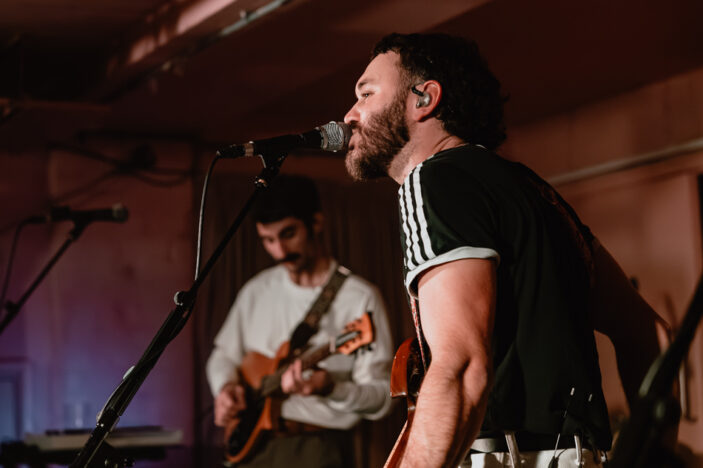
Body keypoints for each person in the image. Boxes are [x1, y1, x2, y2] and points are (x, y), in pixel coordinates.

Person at [343, 33, 663, 467]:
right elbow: (649, 332)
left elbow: (461, 368)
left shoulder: (432, 180)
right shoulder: (534, 191)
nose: (350, 114)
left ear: (424, 99)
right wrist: (649, 453)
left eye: (366, 94)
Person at [206, 175, 393, 468]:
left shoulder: (360, 298)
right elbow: (223, 355)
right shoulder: (257, 290)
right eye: (268, 240)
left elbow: (382, 398)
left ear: (316, 223)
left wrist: (331, 388)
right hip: (249, 444)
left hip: (313, 448)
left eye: (288, 234)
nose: (280, 252)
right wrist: (226, 387)